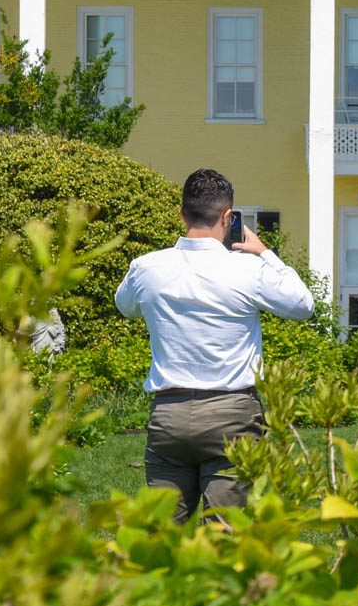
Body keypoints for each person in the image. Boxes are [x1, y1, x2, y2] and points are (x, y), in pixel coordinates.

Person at [115, 169, 316, 524]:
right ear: (228, 217)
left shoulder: (146, 267)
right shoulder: (246, 268)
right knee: (224, 534)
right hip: (232, 412)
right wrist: (265, 253)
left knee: (159, 530)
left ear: (182, 214)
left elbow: (125, 307)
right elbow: (302, 305)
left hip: (170, 414)